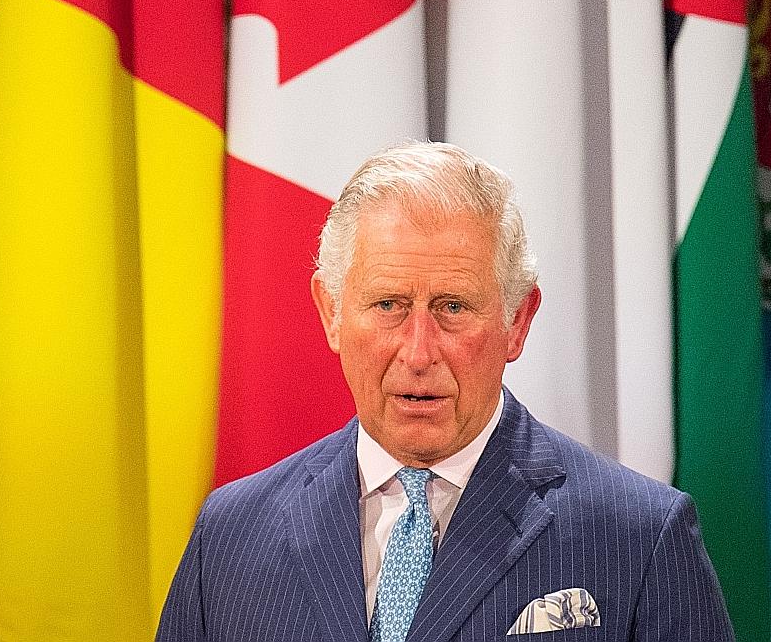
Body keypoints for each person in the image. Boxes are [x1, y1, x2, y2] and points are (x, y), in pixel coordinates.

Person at [157, 142, 734, 641]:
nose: (419, 352)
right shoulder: (232, 535)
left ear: (517, 320)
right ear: (330, 313)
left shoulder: (639, 537)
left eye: (453, 307)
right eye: (389, 306)